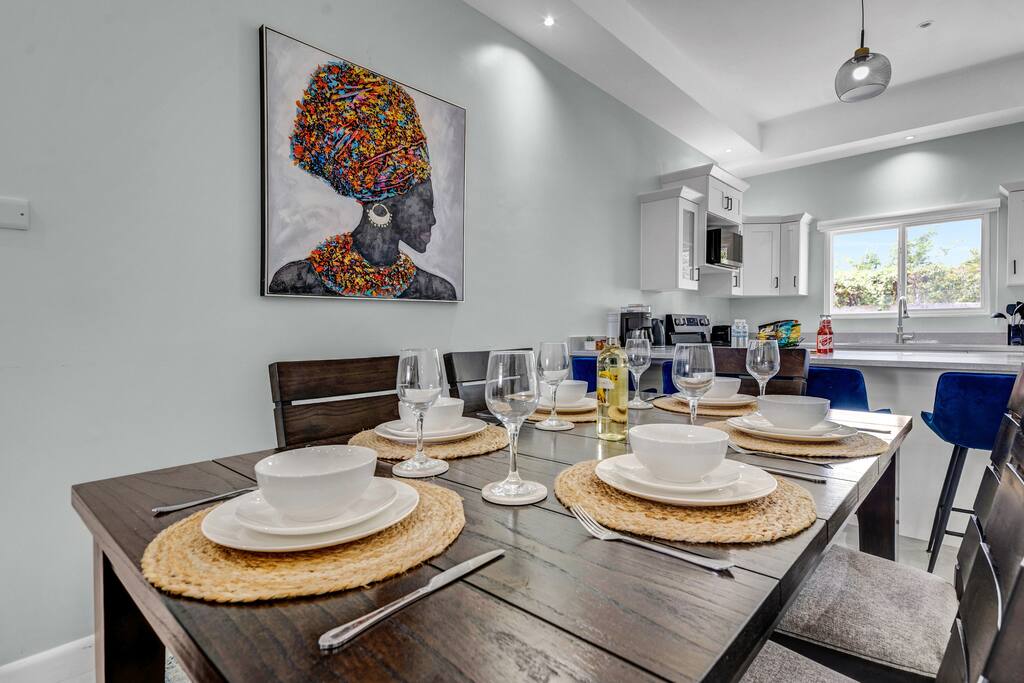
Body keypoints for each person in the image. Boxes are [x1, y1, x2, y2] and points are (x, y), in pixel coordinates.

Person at [269, 61, 456, 300]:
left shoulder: (438, 292)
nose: (433, 220)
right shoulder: (295, 283)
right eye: (426, 204)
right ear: (383, 206)